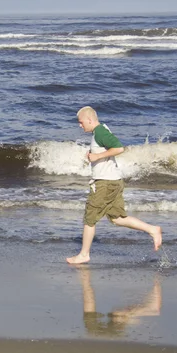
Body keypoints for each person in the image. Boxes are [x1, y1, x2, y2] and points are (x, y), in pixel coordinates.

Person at [66, 106, 162, 264]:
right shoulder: (101, 130)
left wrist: (97, 156)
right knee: (117, 218)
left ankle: (84, 254)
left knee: (89, 219)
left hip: (105, 183)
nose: (80, 125)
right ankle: (152, 229)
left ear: (90, 120)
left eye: (81, 122)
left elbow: (119, 148)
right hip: (114, 181)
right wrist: (94, 156)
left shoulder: (100, 132)